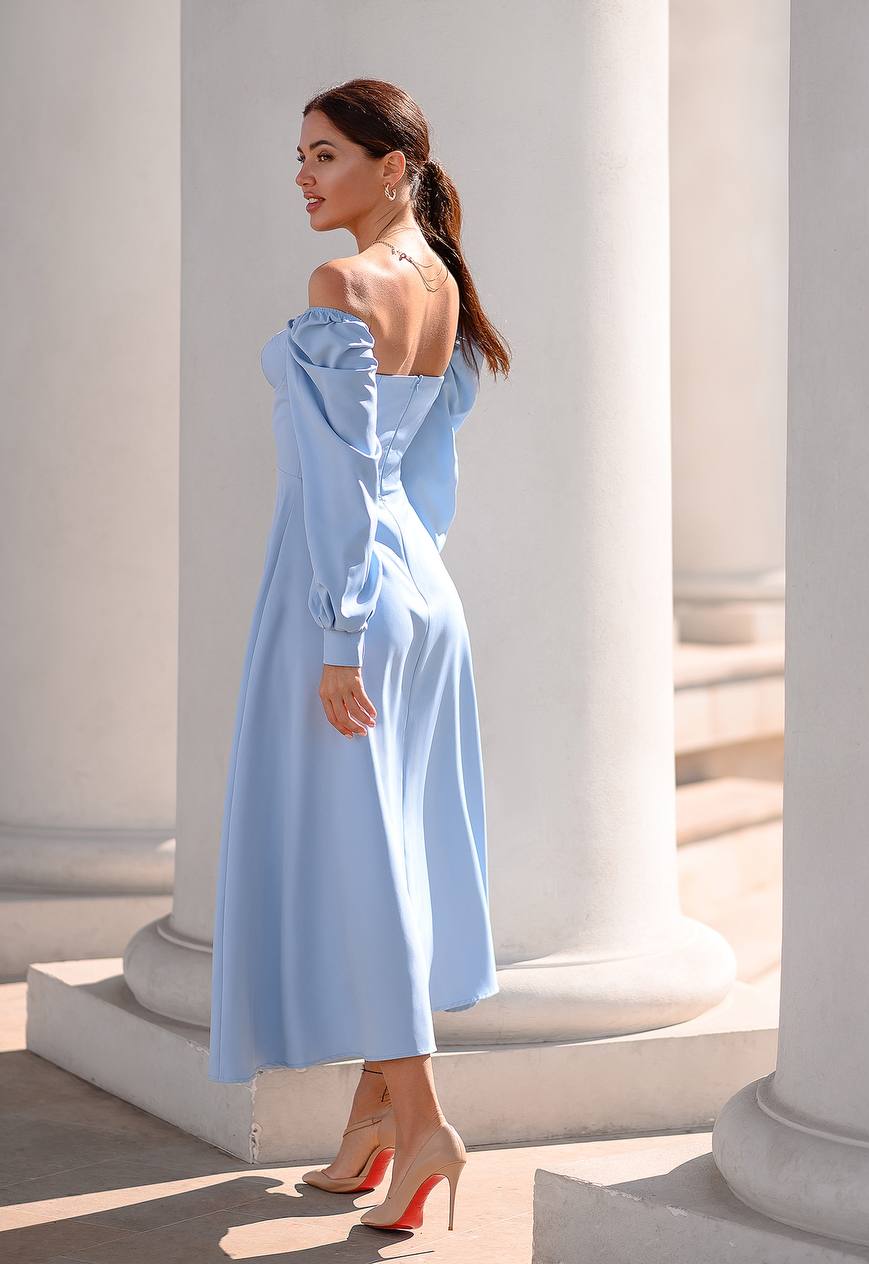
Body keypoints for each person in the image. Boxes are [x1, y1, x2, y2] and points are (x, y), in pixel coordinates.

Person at [207, 77, 511, 1234]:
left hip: (348, 604)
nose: (303, 175)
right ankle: (370, 1124)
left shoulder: (343, 284)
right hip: (420, 592)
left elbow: (338, 482)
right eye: (300, 155)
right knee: (394, 853)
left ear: (394, 167)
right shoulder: (439, 279)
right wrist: (400, 588)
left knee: (363, 868)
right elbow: (425, 471)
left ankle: (425, 1119)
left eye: (325, 154)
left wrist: (341, 635)